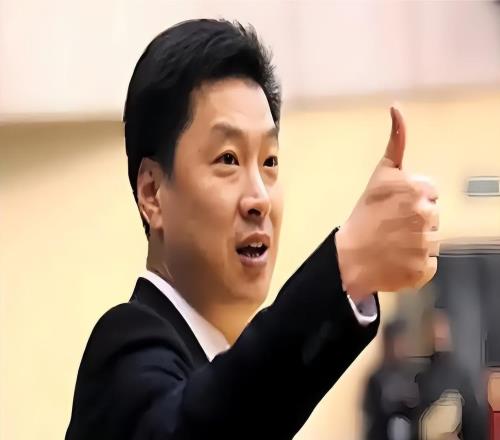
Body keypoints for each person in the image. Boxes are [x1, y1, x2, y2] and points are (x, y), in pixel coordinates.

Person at [65, 19, 439, 440]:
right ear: (153, 193)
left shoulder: (229, 378)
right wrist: (346, 267)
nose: (259, 198)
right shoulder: (124, 351)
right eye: (227, 159)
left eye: (269, 161)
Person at [415, 309, 484, 439]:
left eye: (441, 327)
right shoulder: (418, 376)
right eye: (432, 328)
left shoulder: (461, 375)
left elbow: (474, 422)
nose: (437, 332)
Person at [363, 320, 418, 440]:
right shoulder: (376, 379)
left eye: (402, 342)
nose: (398, 348)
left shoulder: (412, 376)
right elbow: (371, 417)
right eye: (394, 342)